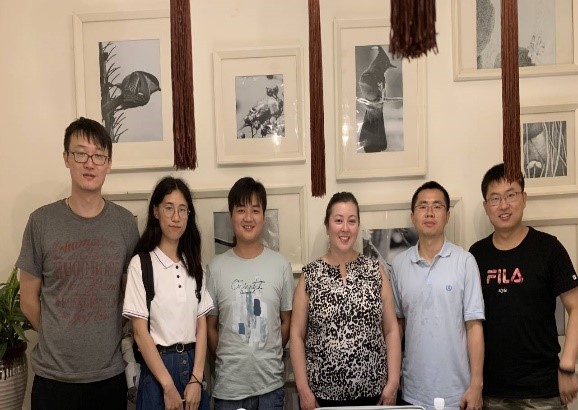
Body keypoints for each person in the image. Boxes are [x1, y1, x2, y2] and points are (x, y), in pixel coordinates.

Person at [17, 117, 139, 409]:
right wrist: (58, 336)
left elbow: (131, 297)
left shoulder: (125, 223)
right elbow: (28, 300)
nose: (89, 164)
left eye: (99, 156)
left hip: (109, 376)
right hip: (53, 380)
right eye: (80, 154)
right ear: (66, 158)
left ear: (109, 164)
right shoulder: (41, 222)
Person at [469, 163, 578, 409]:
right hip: (492, 392)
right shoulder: (476, 255)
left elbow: (576, 307)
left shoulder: (549, 248)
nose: (503, 205)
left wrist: (567, 366)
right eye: (495, 198)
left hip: (543, 392)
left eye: (511, 195)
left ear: (524, 198)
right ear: (486, 206)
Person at [290, 191, 401, 408]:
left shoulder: (375, 270)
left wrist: (393, 382)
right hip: (321, 398)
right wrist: (303, 389)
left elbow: (391, 330)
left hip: (373, 395)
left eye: (352, 221)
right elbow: (296, 335)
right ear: (327, 226)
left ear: (358, 226)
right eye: (338, 220)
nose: (345, 228)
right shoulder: (310, 275)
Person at [391, 181, 485, 410]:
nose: (430, 212)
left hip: (458, 392)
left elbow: (474, 327)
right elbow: (396, 327)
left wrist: (476, 385)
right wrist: (393, 380)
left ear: (447, 215)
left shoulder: (465, 262)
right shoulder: (399, 265)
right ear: (413, 216)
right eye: (423, 206)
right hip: (413, 392)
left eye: (437, 206)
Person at [123, 176, 213, 410]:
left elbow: (201, 325)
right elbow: (139, 332)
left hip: (193, 369)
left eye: (183, 210)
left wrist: (197, 379)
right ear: (156, 211)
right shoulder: (141, 264)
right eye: (169, 208)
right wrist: (169, 387)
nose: (176, 217)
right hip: (157, 372)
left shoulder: (195, 266)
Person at [206, 177, 294, 409]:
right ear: (231, 216)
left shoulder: (280, 266)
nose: (248, 217)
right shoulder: (215, 268)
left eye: (255, 210)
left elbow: (286, 322)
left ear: (263, 216)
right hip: (229, 390)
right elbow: (210, 327)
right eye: (241, 210)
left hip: (271, 387)